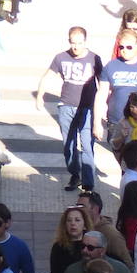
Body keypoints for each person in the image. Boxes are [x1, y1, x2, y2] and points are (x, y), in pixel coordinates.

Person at [35, 27, 105, 193]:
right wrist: (39, 96)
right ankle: (75, 173)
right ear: (69, 41)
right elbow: (47, 76)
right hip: (66, 106)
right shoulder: (61, 57)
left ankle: (88, 184)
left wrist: (103, 106)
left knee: (87, 146)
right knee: (69, 146)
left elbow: (103, 84)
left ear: (85, 42)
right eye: (73, 43)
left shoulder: (94, 59)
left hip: (87, 108)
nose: (76, 47)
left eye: (79, 43)